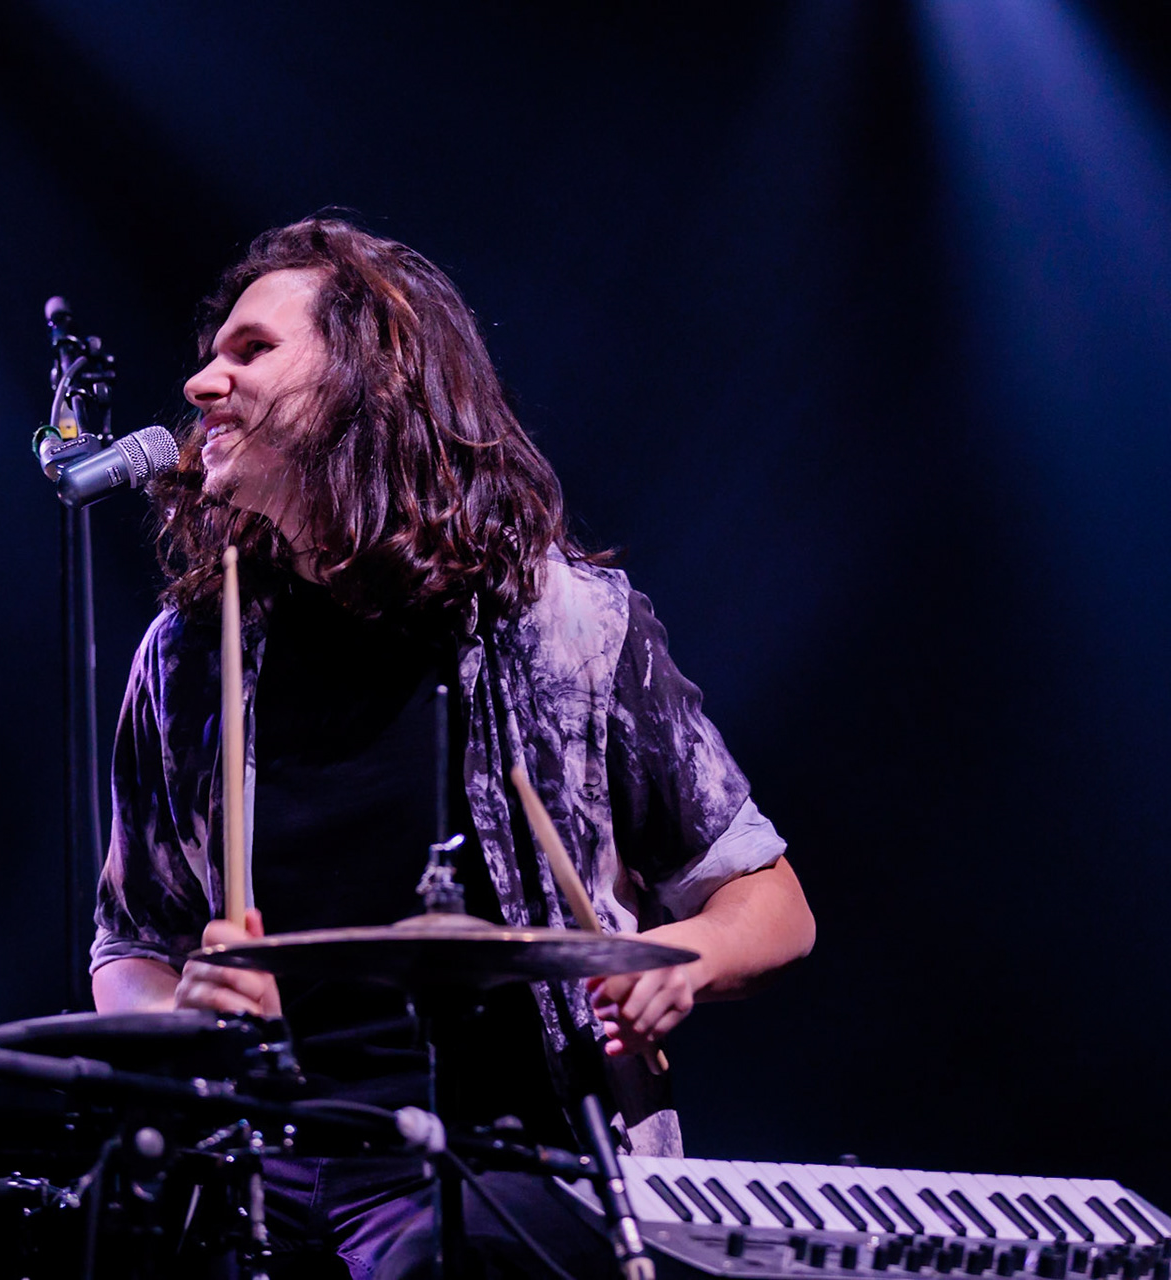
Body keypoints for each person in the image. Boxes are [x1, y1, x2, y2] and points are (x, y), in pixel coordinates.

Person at [89, 218, 816, 1279]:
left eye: (251, 350)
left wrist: (682, 967)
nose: (201, 382)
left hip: (512, 1164)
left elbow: (774, 906)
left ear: (368, 378)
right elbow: (128, 948)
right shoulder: (190, 656)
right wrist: (182, 1017)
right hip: (266, 1167)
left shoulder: (567, 627)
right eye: (212, 352)